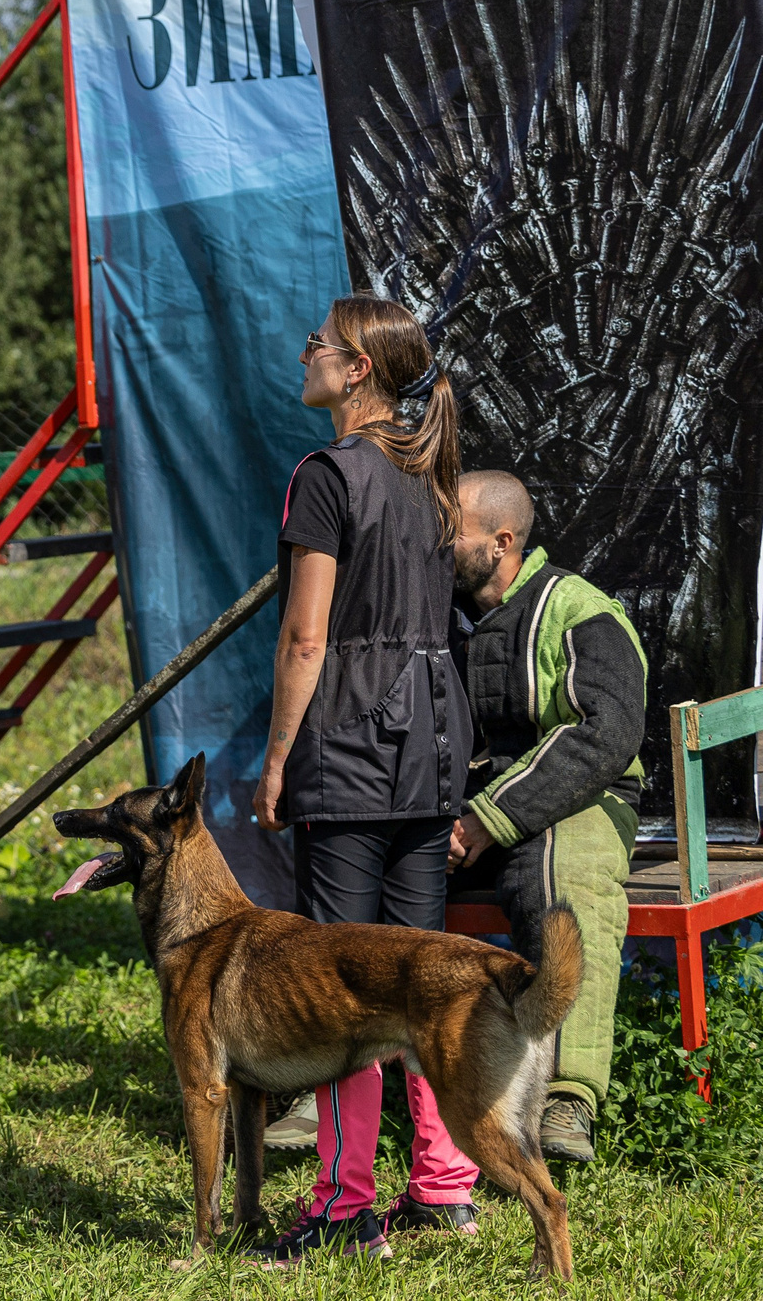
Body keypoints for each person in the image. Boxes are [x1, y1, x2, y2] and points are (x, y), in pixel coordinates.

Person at [249, 295, 479, 1266]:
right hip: (431, 748)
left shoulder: (327, 473)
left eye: (318, 345)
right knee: (418, 972)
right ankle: (444, 1184)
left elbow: (307, 637)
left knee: (342, 986)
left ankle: (343, 1204)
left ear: (354, 371)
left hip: (346, 746)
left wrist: (272, 759)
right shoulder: (430, 473)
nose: (304, 353)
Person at [446, 469, 644, 1163]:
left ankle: (568, 1097)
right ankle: (329, 1093)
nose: (438, 536)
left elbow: (606, 732)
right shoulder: (438, 611)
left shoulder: (580, 610)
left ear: (501, 541)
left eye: (455, 526)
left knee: (565, 879)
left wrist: (485, 820)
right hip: (466, 808)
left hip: (586, 797)